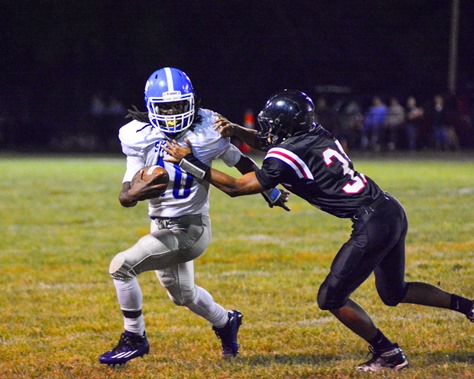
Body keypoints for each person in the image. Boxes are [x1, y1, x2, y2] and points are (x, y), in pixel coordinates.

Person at [164, 89, 474, 373]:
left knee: (331, 297)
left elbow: (235, 186)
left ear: (284, 126)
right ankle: (469, 307)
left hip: (371, 223)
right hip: (390, 209)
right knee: (394, 292)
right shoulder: (317, 132)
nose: (269, 131)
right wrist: (237, 130)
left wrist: (190, 161)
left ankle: (387, 353)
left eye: (272, 125)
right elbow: (272, 141)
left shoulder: (285, 156)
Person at [98, 67, 288, 366]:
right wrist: (132, 195)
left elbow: (240, 161)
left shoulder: (208, 130)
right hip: (160, 224)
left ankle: (135, 337)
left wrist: (268, 189)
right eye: (165, 107)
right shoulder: (137, 134)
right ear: (151, 107)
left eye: (178, 106)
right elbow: (126, 189)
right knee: (182, 295)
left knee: (121, 267)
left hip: (190, 229)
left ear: (192, 103)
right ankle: (226, 321)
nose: (172, 113)